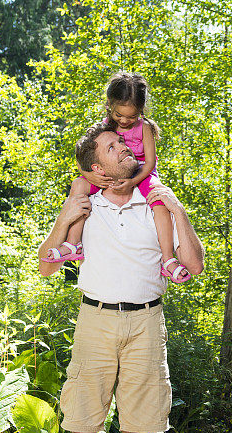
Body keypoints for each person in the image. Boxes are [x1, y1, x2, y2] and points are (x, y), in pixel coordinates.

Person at [37, 123, 205, 433]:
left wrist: (180, 209)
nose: (126, 147)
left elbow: (195, 265)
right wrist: (63, 216)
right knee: (82, 424)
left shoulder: (155, 202)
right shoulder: (85, 204)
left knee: (137, 429)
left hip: (147, 322)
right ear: (97, 167)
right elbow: (46, 268)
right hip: (94, 320)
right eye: (113, 146)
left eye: (125, 142)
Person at [42, 72, 191, 285]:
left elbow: (149, 163)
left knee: (159, 202)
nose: (124, 120)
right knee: (78, 185)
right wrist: (88, 174)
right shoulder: (106, 124)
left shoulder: (145, 127)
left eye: (131, 116)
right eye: (119, 115)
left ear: (141, 111)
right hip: (112, 172)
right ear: (110, 106)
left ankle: (167, 259)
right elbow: (83, 157)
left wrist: (132, 181)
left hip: (142, 173)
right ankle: (74, 243)